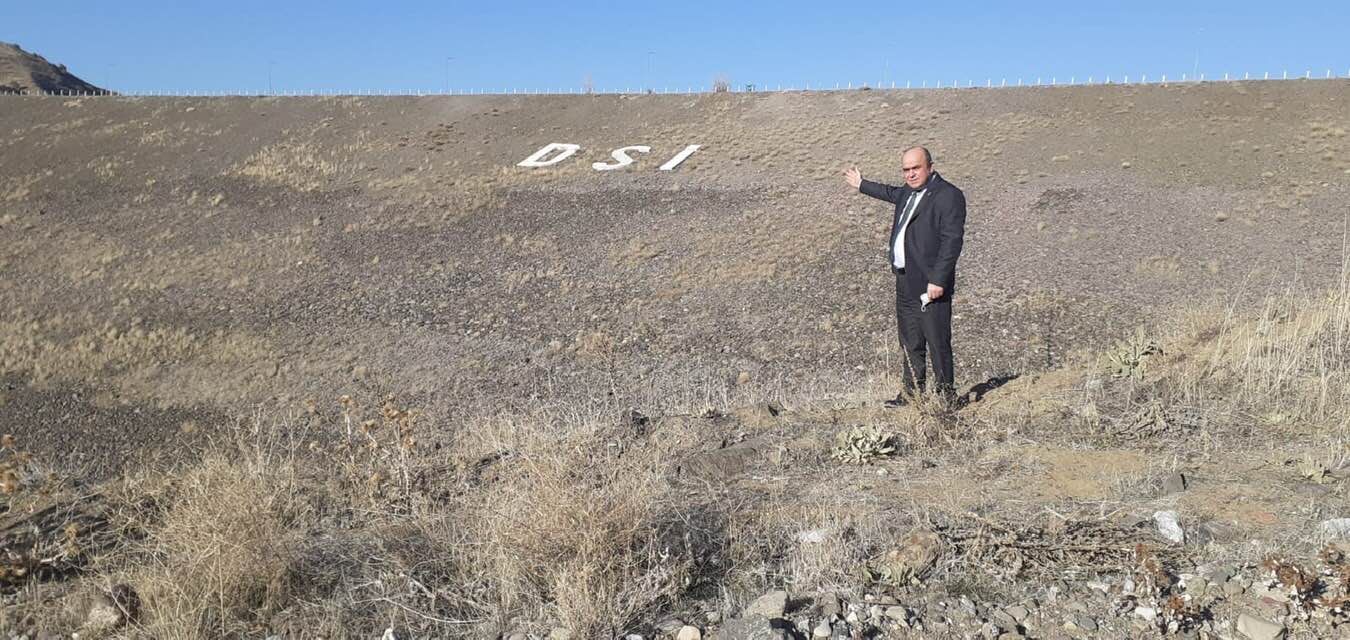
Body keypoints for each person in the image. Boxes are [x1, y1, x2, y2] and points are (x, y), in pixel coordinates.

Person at [844, 147, 966, 407]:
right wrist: (861, 184)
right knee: (910, 340)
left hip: (930, 283)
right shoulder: (907, 193)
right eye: (906, 169)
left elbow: (952, 242)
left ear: (930, 166)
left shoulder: (949, 196)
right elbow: (888, 192)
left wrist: (939, 280)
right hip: (904, 280)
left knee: (937, 341)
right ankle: (911, 395)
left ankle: (946, 397)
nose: (910, 174)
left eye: (916, 168)